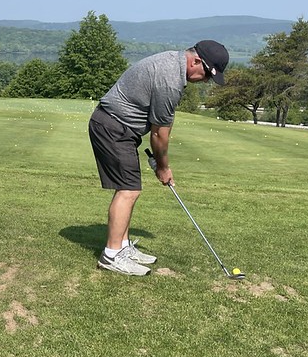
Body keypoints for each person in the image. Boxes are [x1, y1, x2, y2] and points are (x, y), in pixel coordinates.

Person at [88, 40, 229, 275]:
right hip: (113, 127)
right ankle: (111, 255)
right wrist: (163, 167)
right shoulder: (170, 81)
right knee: (129, 190)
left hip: (119, 128)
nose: (205, 80)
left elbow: (163, 124)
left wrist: (160, 162)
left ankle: (122, 247)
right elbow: (159, 133)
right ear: (195, 61)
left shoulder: (173, 64)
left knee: (129, 187)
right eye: (206, 74)